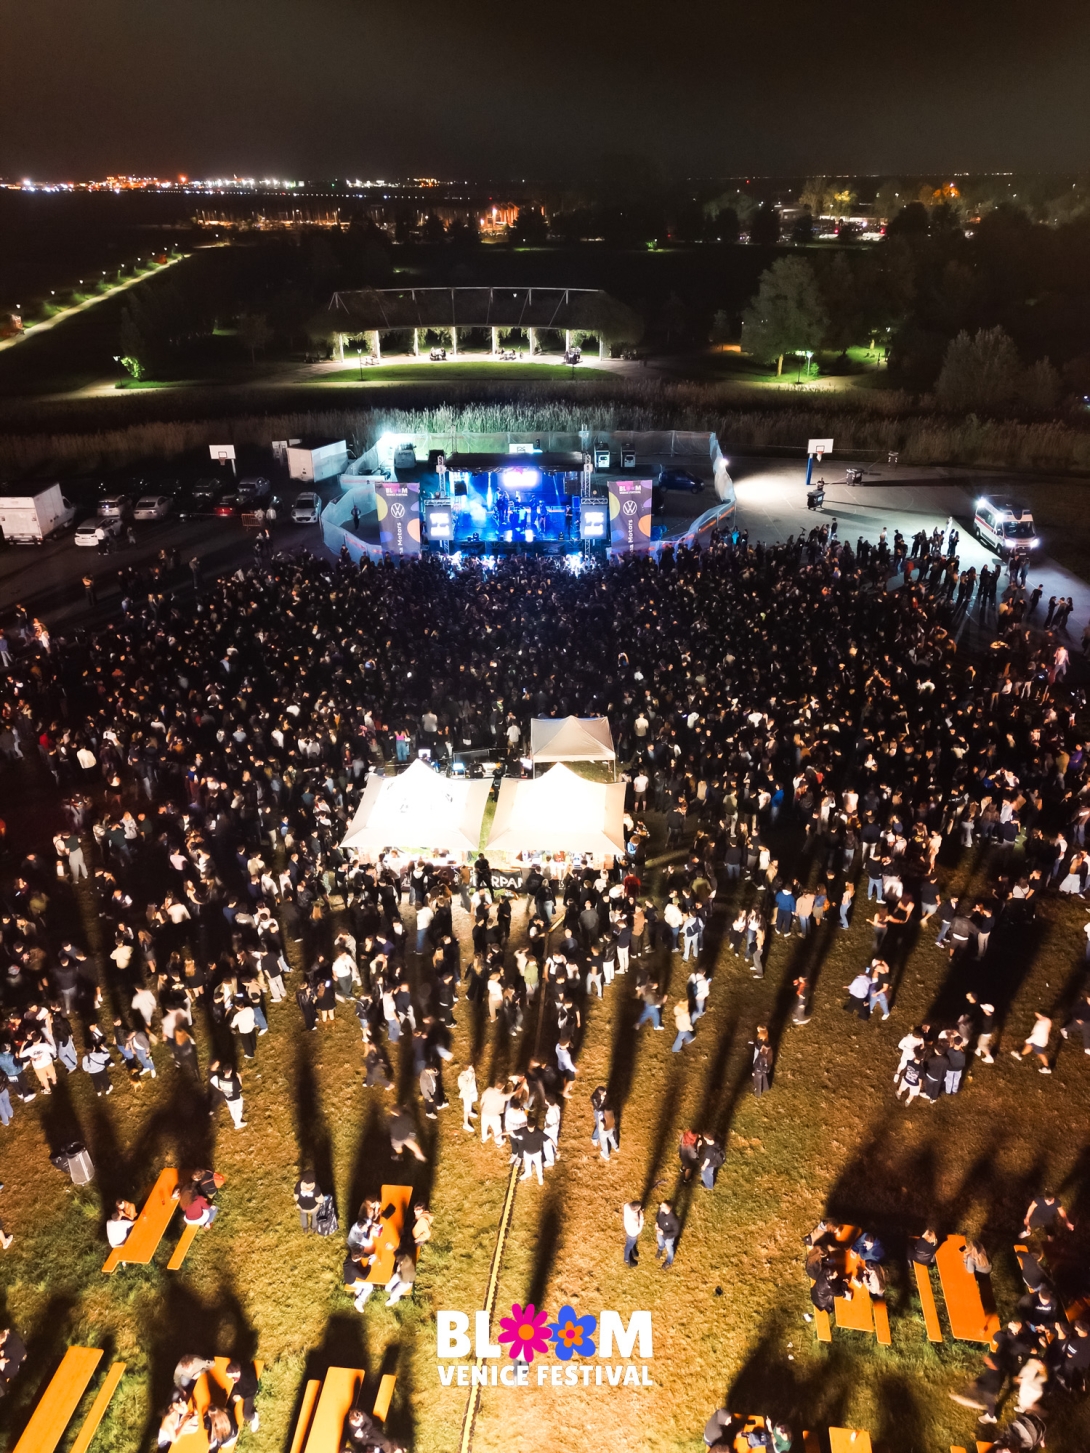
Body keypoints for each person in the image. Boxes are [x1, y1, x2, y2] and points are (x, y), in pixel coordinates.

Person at [655, 1200, 680, 1268]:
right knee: (660, 1243)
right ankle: (660, 1249)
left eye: (662, 1206)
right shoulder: (661, 1211)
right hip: (659, 1232)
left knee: (669, 1249)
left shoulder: (674, 1219)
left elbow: (676, 1232)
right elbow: (658, 1216)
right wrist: (657, 1222)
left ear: (667, 1209)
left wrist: (664, 1233)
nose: (660, 1206)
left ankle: (668, 1261)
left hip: (668, 1237)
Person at [622, 1200, 644, 1267]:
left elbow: (627, 1204)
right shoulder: (634, 1221)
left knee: (629, 1242)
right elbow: (638, 1229)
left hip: (628, 1229)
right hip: (632, 1233)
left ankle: (633, 1251)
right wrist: (641, 1217)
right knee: (629, 1245)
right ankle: (627, 1259)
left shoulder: (626, 1206)